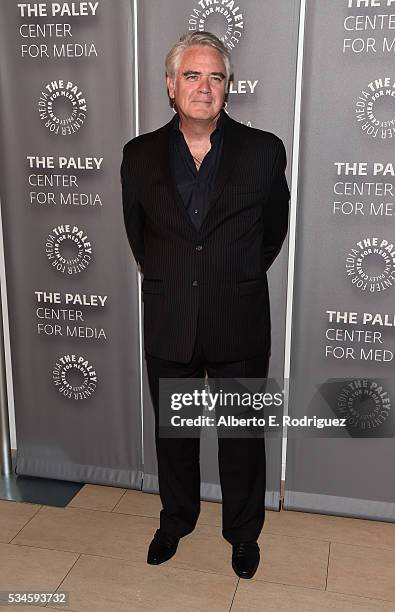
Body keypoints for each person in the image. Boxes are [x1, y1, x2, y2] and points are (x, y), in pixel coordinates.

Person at [121, 31, 289, 579]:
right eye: (192, 76)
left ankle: (244, 534)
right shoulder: (138, 155)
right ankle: (176, 520)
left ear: (227, 88)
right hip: (171, 320)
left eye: (215, 77)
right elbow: (141, 238)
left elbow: (272, 233)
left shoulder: (263, 150)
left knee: (242, 440)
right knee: (175, 436)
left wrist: (229, 278)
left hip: (237, 320)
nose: (204, 87)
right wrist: (178, 279)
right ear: (171, 87)